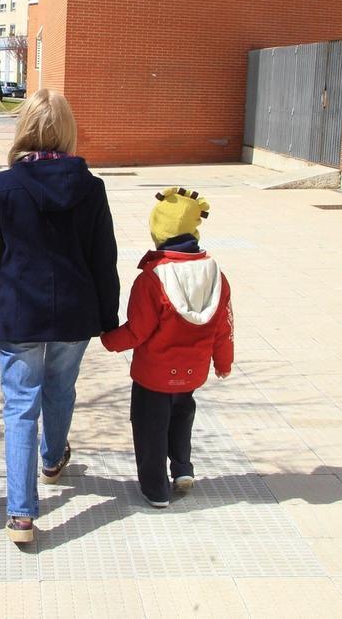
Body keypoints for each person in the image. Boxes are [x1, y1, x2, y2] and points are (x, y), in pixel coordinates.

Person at [0, 89, 120, 544]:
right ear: (67, 131)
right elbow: (103, 258)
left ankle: (21, 515)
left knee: (19, 407)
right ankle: (53, 459)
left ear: (25, 129)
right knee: (60, 388)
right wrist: (110, 319)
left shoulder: (5, 185)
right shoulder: (91, 187)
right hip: (74, 313)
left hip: (19, 312)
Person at [100, 187, 234, 508]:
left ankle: (156, 489)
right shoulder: (216, 274)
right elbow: (223, 326)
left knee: (150, 430)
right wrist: (223, 363)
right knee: (181, 417)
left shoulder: (152, 278)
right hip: (192, 372)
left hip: (154, 375)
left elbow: (137, 331)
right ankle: (183, 469)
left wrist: (108, 339)